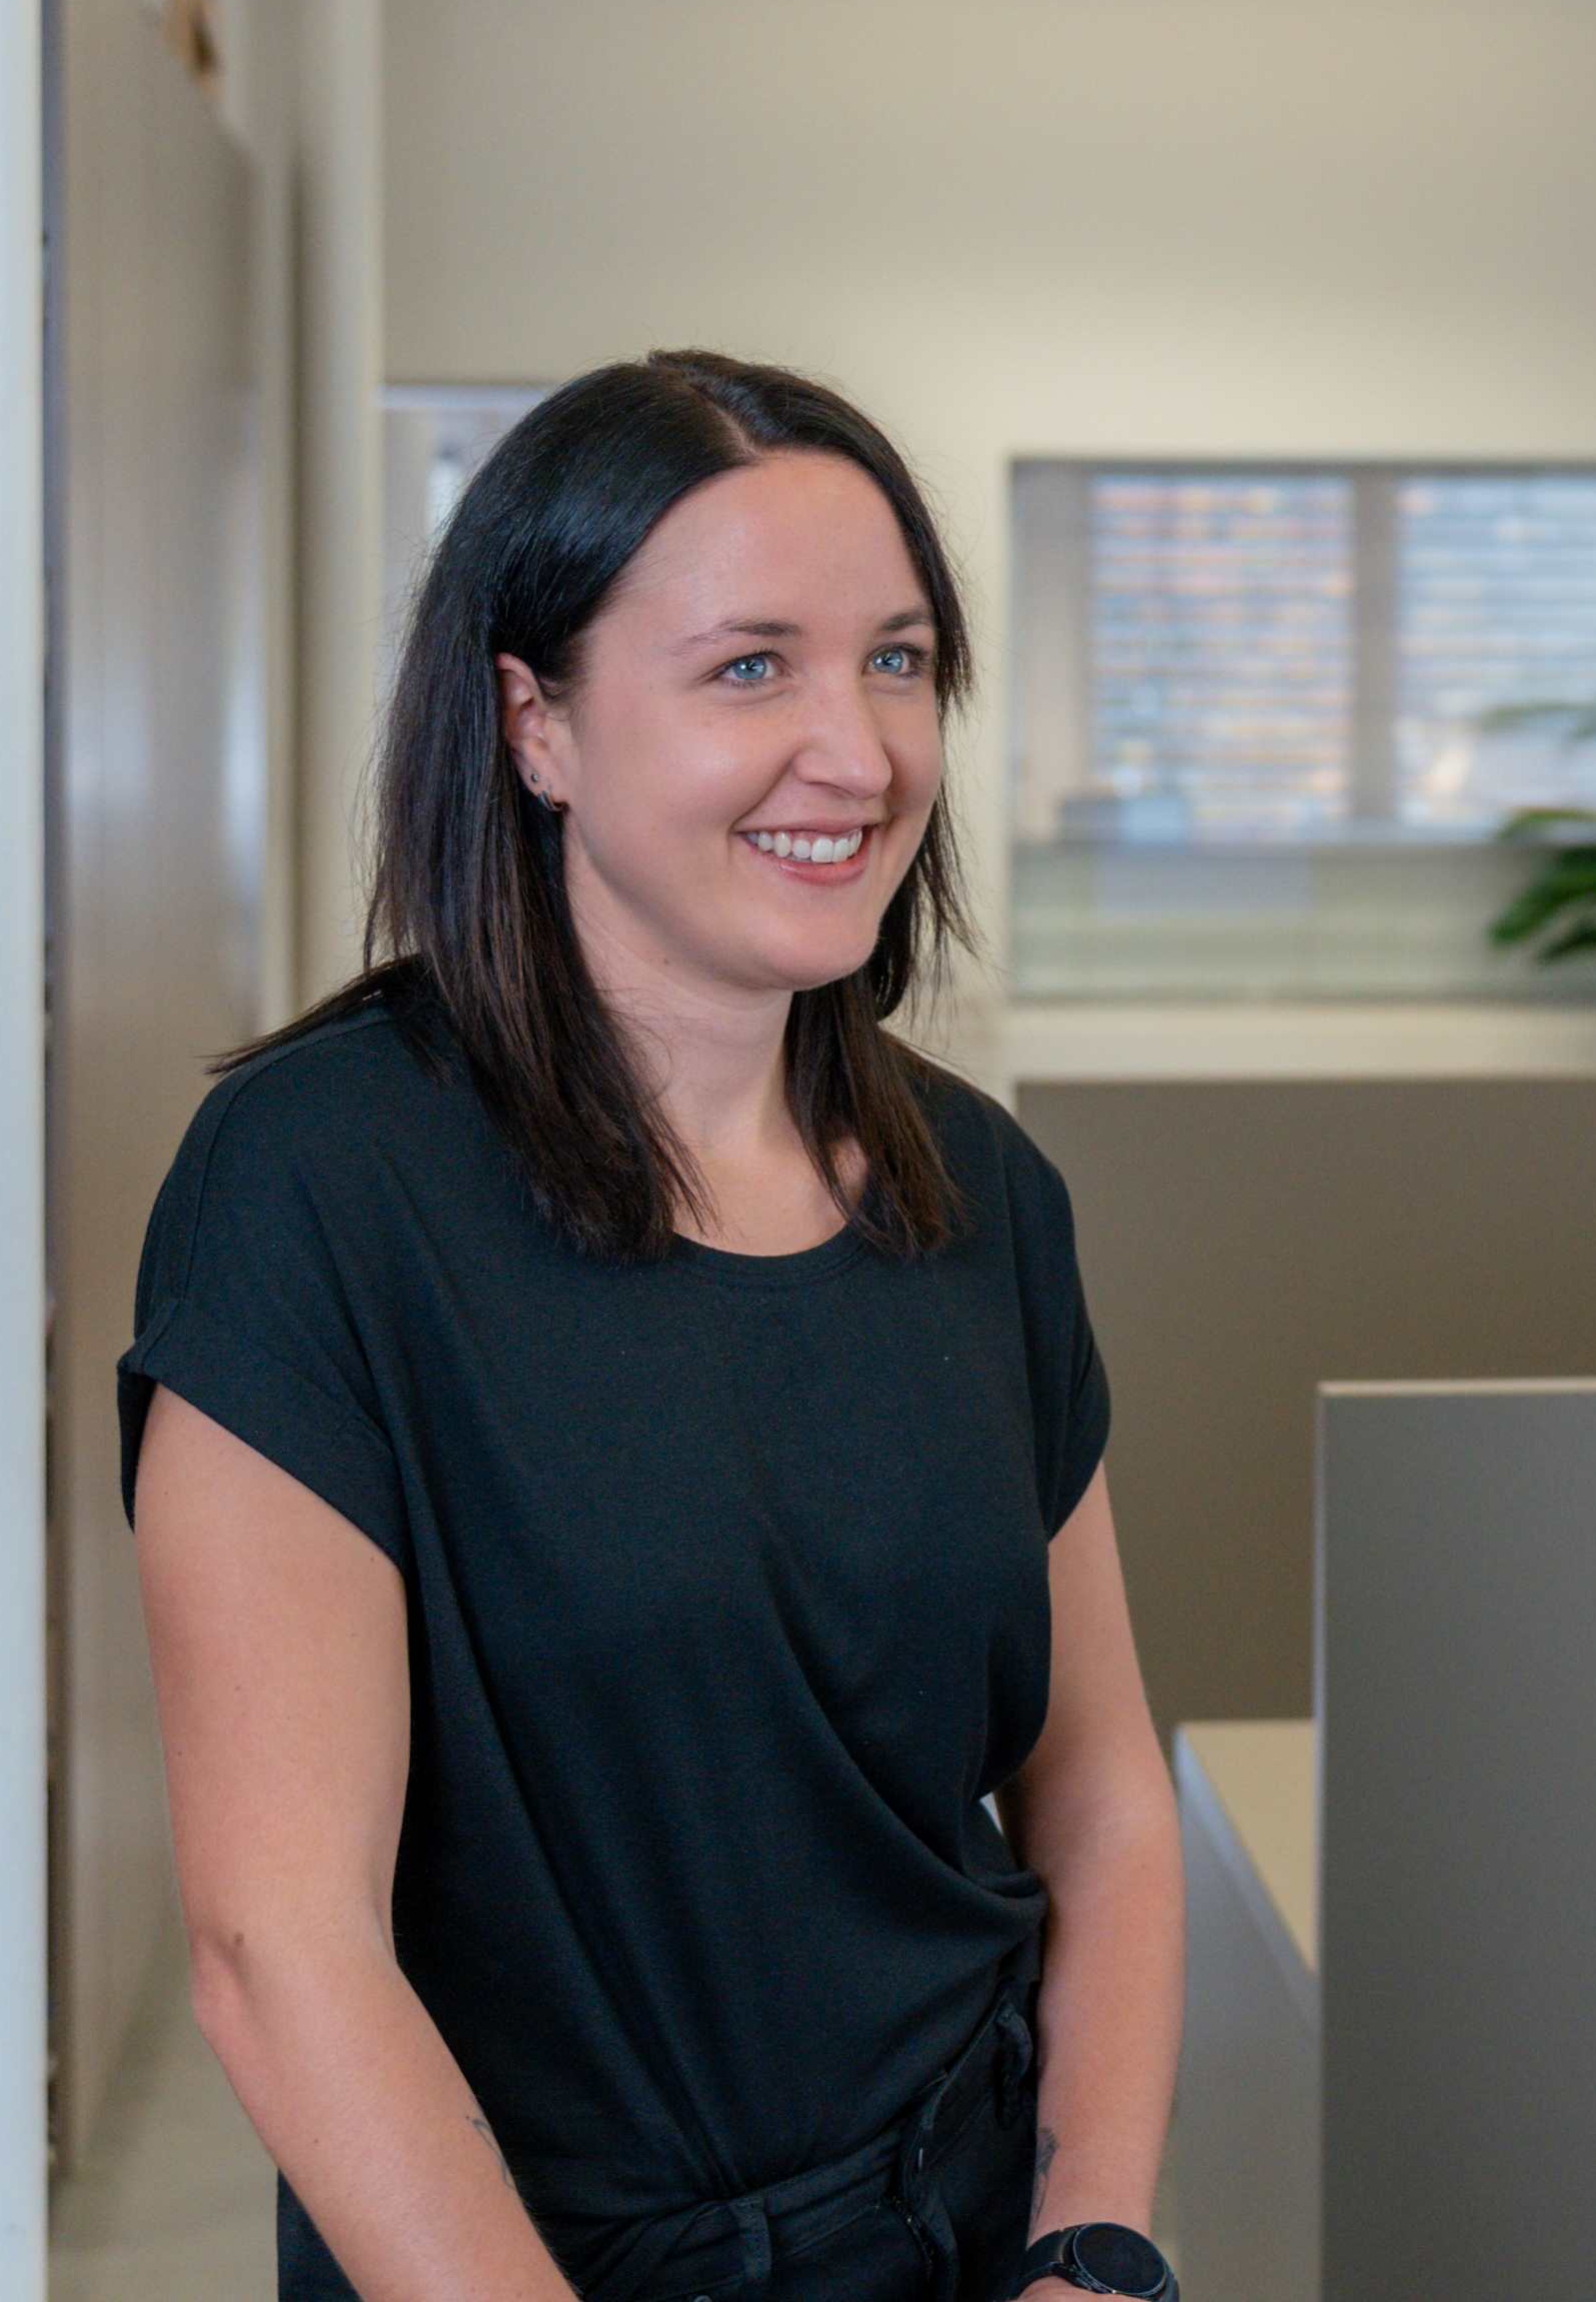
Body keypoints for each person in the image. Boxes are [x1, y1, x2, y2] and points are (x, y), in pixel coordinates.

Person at [124, 353, 1186, 2302]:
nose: (856, 752)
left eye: (896, 660)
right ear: (535, 721)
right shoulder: (321, 1192)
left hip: (962, 2239)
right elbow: (282, 1950)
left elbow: (1104, 1792)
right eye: (749, 668)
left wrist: (1093, 2247)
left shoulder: (983, 1198)